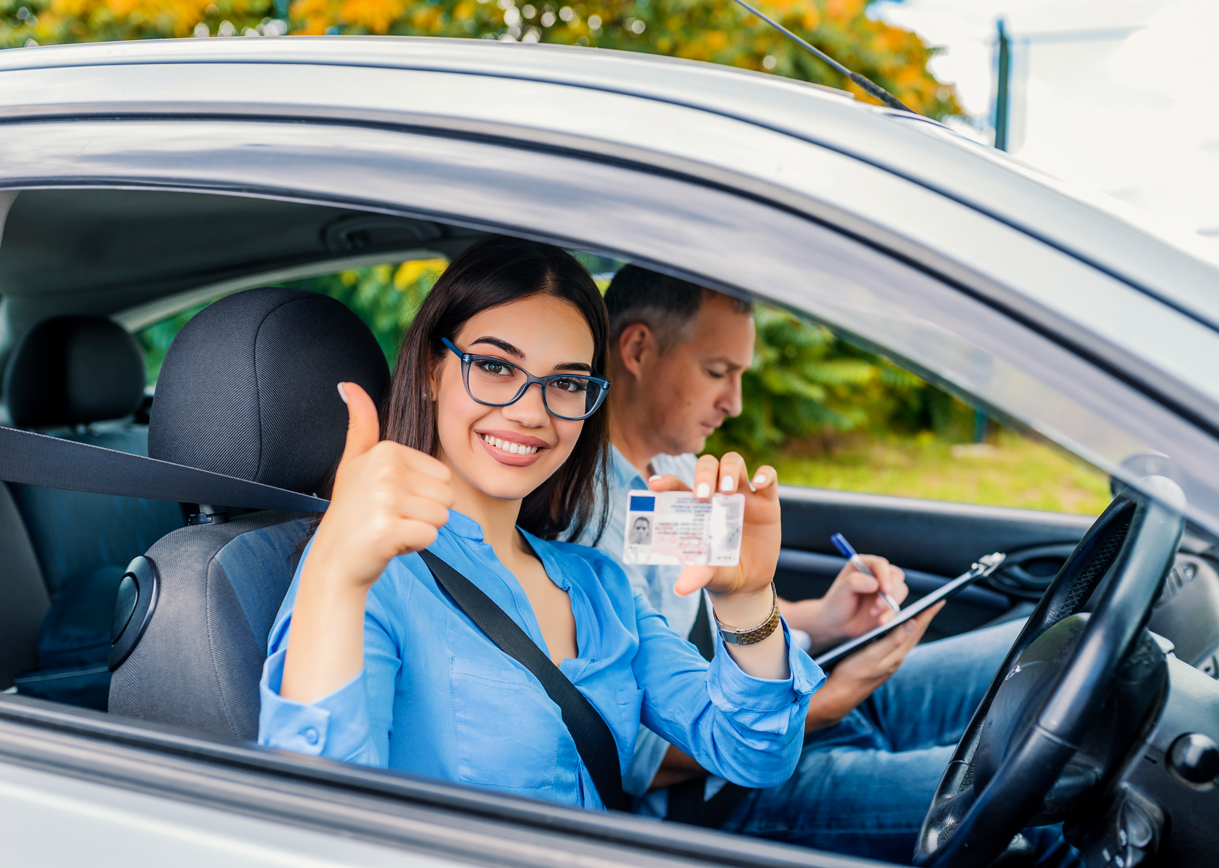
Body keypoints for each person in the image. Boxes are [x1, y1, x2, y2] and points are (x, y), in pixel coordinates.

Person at [256, 237, 825, 810]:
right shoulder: (365, 575)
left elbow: (754, 755)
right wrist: (334, 571)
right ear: (433, 370)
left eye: (568, 382)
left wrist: (749, 600)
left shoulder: (600, 585)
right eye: (496, 367)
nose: (532, 412)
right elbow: (316, 824)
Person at [584, 265, 1077, 865]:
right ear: (637, 349)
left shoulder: (678, 472)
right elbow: (640, 758)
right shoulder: (588, 525)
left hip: (794, 696)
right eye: (718, 373)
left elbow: (724, 615)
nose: (734, 403)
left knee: (1051, 658)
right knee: (1042, 811)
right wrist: (834, 700)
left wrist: (827, 618)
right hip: (727, 792)